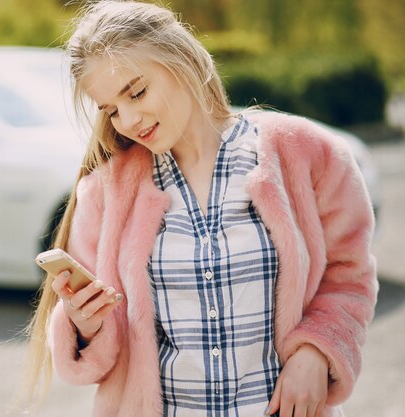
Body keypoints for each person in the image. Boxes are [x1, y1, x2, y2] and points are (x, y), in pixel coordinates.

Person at [24, 1, 378, 416]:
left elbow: (349, 275)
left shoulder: (308, 153)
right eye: (112, 110)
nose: (130, 119)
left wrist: (318, 349)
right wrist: (85, 323)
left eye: (136, 92)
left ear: (183, 59)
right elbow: (105, 352)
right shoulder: (104, 193)